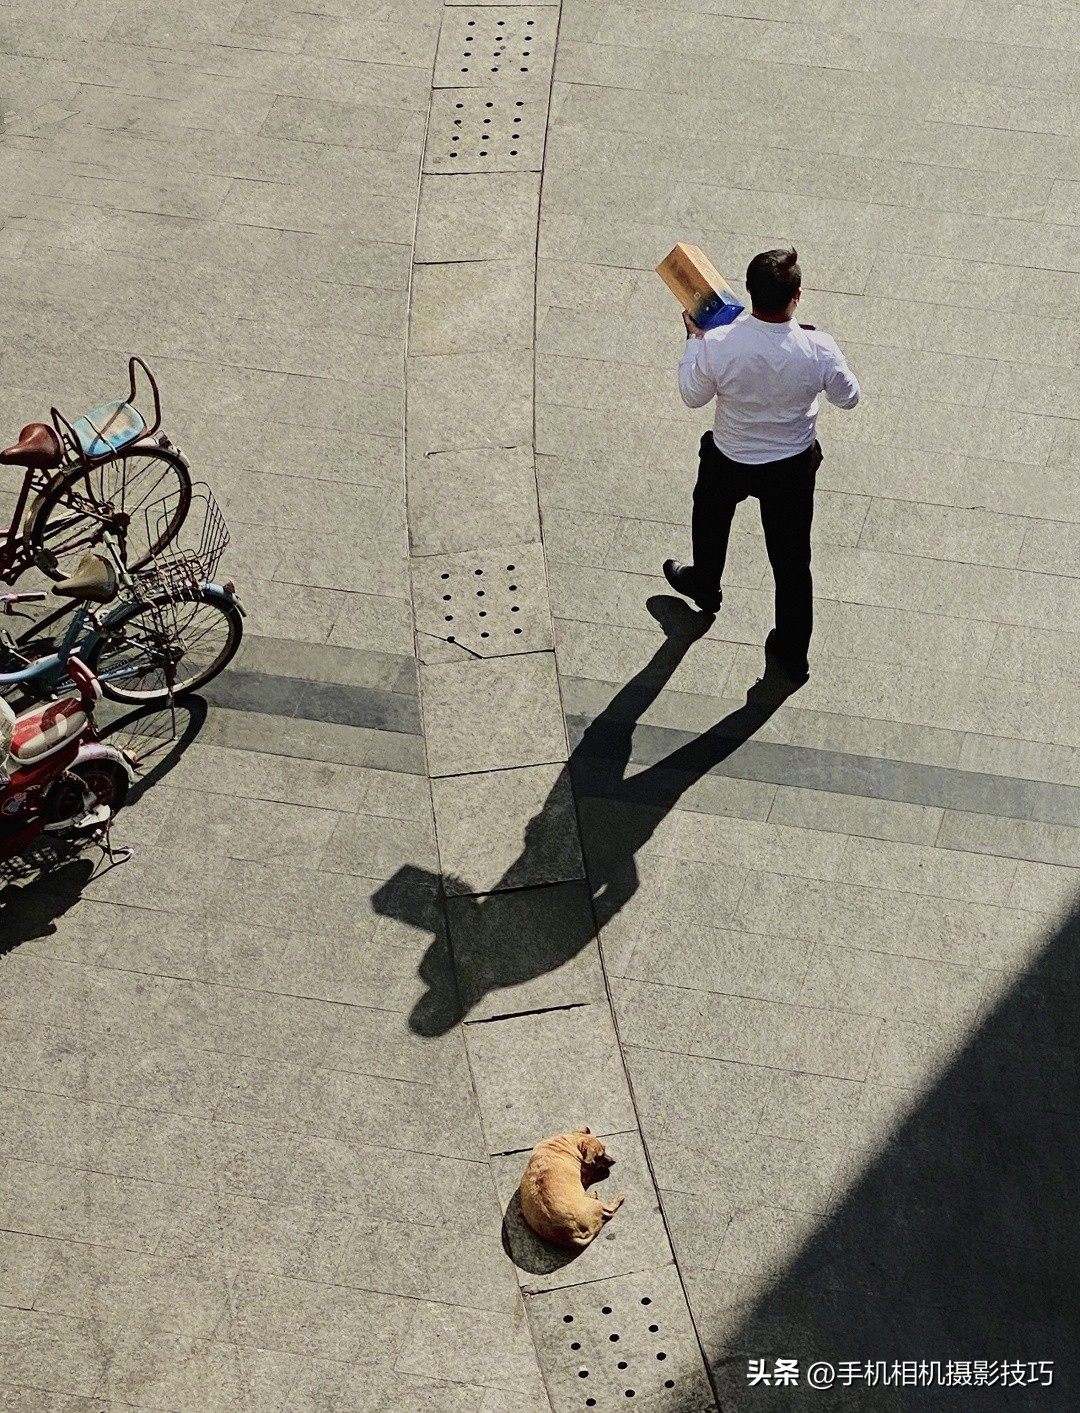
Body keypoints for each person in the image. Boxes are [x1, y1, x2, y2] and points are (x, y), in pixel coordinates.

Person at [663, 246, 860, 686]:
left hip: (729, 457)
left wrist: (694, 341)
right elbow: (849, 398)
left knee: (709, 517)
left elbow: (692, 396)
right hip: (790, 468)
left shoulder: (718, 343)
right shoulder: (818, 348)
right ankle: (792, 654)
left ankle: (704, 584)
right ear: (797, 296)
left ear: (748, 291)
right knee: (792, 565)